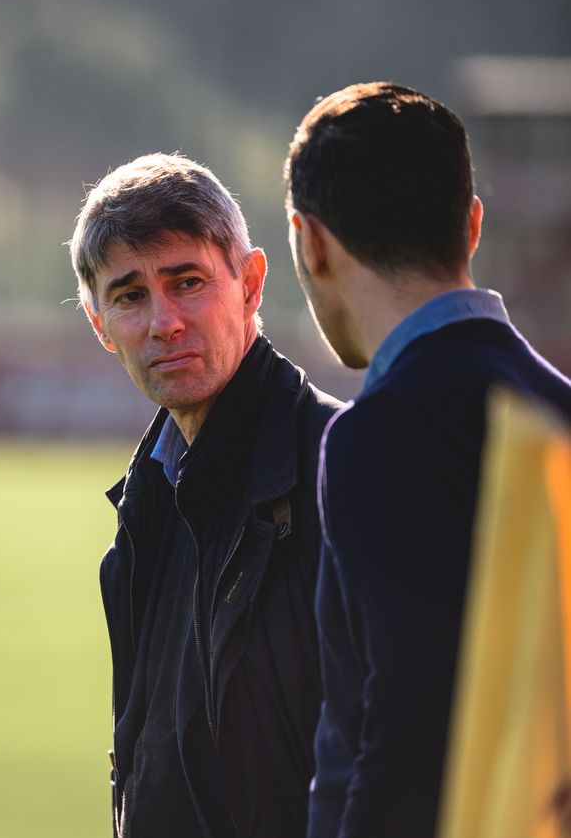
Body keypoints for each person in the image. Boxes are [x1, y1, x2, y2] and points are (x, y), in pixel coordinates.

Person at [284, 82, 571, 838]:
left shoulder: (378, 433)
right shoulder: (560, 412)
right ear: (472, 224)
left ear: (310, 241)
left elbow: (401, 736)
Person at [70, 153, 341, 838]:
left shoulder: (339, 468)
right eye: (130, 296)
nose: (164, 321)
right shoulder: (143, 506)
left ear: (250, 283)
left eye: (186, 282)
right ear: (99, 323)